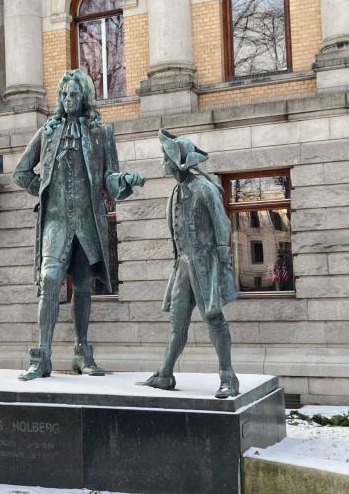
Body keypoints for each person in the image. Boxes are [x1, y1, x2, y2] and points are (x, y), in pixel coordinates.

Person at [13, 69, 144, 381]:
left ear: (84, 97)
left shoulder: (101, 133)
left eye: (73, 94)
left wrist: (124, 180)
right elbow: (20, 172)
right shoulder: (47, 132)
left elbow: (110, 180)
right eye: (64, 95)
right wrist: (42, 187)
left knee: (84, 288)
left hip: (87, 222)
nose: (68, 100)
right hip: (56, 222)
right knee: (49, 279)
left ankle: (81, 352)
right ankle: (42, 355)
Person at [138, 130, 239, 398]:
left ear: (177, 163)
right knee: (177, 322)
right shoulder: (174, 193)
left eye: (166, 157)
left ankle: (228, 376)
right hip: (183, 265)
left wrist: (222, 266)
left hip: (206, 264)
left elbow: (222, 226)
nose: (163, 161)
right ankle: (165, 373)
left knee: (214, 318)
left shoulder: (205, 189)